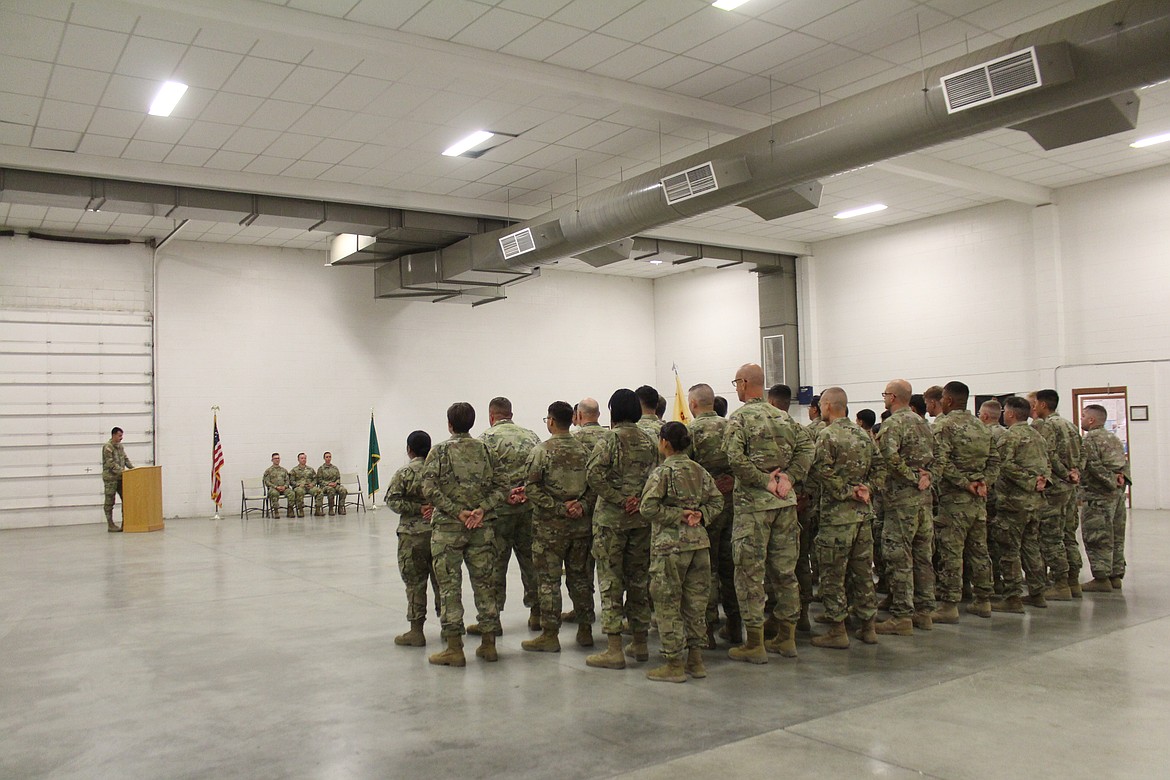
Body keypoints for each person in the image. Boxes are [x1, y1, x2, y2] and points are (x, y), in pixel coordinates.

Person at [724, 363, 815, 663]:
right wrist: (790, 477)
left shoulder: (739, 419)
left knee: (750, 573)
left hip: (754, 508)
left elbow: (735, 459)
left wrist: (765, 480)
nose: (735, 387)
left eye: (737, 382)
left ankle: (755, 643)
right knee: (785, 573)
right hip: (785, 506)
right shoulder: (784, 417)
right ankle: (787, 638)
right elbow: (807, 448)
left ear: (746, 382)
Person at [422, 402, 508, 667]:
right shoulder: (486, 450)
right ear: (472, 422)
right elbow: (502, 487)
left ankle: (454, 648)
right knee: (485, 586)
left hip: (448, 530)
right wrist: (481, 510)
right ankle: (489, 644)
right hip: (481, 529)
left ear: (449, 424)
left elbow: (429, 488)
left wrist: (456, 512)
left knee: (449, 588)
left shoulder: (439, 452)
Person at [640, 422, 723, 682]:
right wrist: (701, 515)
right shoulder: (699, 470)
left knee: (667, 603)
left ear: (664, 442)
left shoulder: (662, 472)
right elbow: (717, 500)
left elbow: (648, 508)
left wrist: (677, 514)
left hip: (670, 547)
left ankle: (674, 663)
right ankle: (696, 660)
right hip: (699, 544)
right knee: (696, 605)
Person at [585, 389, 660, 671]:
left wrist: (619, 499)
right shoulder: (649, 440)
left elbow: (593, 475)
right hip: (641, 521)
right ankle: (640, 643)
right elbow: (658, 475)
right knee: (639, 580)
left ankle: (614, 649)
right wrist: (639, 499)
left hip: (612, 522)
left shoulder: (610, 439)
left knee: (610, 581)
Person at [808, 387, 886, 649]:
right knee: (863, 572)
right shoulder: (864, 436)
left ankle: (837, 629)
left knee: (833, 573)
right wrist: (867, 489)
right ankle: (868, 627)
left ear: (828, 405)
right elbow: (881, 468)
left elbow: (821, 470)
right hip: (863, 516)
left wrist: (845, 491)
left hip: (837, 517)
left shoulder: (827, 435)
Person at [522, 401, 593, 652]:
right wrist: (581, 505)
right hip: (580, 525)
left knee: (548, 581)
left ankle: (550, 635)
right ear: (572, 419)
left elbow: (531, 488)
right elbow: (595, 485)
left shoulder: (542, 451)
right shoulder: (585, 450)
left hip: (549, 529)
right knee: (580, 578)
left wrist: (558, 508)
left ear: (551, 421)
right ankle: (585, 630)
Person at [930, 381, 999, 622]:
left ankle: (949, 605)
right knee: (979, 551)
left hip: (954, 501)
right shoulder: (982, 427)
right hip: (977, 500)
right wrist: (983, 482)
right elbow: (995, 461)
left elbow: (941, 462)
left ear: (947, 400)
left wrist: (963, 483)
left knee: (951, 552)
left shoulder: (945, 426)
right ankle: (983, 600)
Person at [874, 380, 936, 636]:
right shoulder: (923, 423)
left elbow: (888, 458)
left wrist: (911, 477)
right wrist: (927, 477)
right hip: (924, 500)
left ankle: (901, 616)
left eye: (885, 394)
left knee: (899, 556)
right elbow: (938, 455)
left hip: (901, 502)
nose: (884, 398)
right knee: (923, 556)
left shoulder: (893, 423)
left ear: (894, 397)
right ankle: (924, 611)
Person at [477, 396, 542, 633]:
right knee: (532, 561)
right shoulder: (532, 436)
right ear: (511, 414)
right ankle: (538, 614)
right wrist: (526, 490)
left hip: (499, 513)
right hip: (528, 509)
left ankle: (492, 620)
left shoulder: (485, 440)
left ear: (491, 416)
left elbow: (481, 478)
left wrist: (505, 494)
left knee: (495, 564)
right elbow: (540, 468)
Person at [687, 383, 739, 646]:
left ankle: (706, 629)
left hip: (704, 508)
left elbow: (686, 470)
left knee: (705, 569)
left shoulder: (691, 431)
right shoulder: (732, 426)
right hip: (735, 504)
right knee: (732, 566)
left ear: (694, 404)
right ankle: (735, 624)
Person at [988, 396, 1050, 614]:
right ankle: (1037, 592)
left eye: (1005, 411)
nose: (1003, 414)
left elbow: (1004, 466)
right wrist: (1042, 481)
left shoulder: (1009, 437)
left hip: (1014, 503)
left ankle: (1012, 597)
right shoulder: (1038, 436)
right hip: (1035, 503)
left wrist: (1029, 481)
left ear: (1011, 414)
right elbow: (1046, 465)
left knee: (1010, 550)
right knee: (1031, 547)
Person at [1029, 389, 1085, 602]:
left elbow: (1048, 453)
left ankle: (1060, 583)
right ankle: (1073, 580)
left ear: (1043, 404)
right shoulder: (1069, 424)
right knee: (1068, 534)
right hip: (1070, 488)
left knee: (1051, 536)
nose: (1032, 408)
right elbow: (1082, 452)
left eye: (1034, 404)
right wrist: (1076, 472)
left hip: (1055, 488)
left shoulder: (1047, 426)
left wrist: (1064, 474)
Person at [385, 431, 436, 648]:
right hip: (439, 534)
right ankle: (450, 628)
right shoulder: (439, 470)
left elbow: (392, 500)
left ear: (409, 449)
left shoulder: (405, 472)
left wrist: (416, 508)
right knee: (444, 582)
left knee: (415, 583)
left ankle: (416, 631)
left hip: (412, 536)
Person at [1079, 404, 1130, 593]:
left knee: (1097, 535)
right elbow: (1124, 463)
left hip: (1098, 496)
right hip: (1117, 495)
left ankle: (1101, 577)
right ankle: (1115, 574)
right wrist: (1120, 481)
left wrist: (1109, 482)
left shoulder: (1090, 439)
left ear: (1091, 420)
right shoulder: (1113, 438)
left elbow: (1092, 465)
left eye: (1084, 416)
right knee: (1116, 535)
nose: (1082, 419)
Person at [565, 397, 606, 624]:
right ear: (598, 415)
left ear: (578, 416)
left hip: (580, 512)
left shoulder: (573, 438)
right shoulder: (611, 437)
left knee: (580, 567)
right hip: (611, 509)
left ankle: (583, 610)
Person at [979, 400, 1008, 594]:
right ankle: (999, 581)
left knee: (987, 540)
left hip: (985, 493)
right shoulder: (1006, 434)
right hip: (1002, 492)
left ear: (985, 416)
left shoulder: (985, 434)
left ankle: (992, 580)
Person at [101, 426, 133, 532]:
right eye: (119, 435)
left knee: (126, 500)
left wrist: (133, 469)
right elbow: (110, 464)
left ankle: (126, 523)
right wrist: (122, 471)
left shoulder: (120, 447)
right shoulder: (108, 447)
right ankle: (110, 524)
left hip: (121, 478)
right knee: (110, 501)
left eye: (122, 436)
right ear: (114, 435)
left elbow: (125, 459)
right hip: (111, 479)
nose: (121, 438)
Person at [263, 453, 294, 519]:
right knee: (274, 493)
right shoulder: (268, 471)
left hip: (284, 488)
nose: (277, 460)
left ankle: (290, 510)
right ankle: (276, 511)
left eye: (278, 458)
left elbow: (287, 480)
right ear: (272, 460)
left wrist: (285, 486)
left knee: (291, 493)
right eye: (275, 458)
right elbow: (267, 482)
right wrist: (276, 487)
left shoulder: (284, 470)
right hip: (274, 488)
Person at [289, 452, 319, 518]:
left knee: (319, 491)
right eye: (302, 458)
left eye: (305, 458)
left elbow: (315, 479)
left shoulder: (310, 469)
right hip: (300, 487)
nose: (303, 460)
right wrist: (298, 484)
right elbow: (291, 481)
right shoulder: (294, 470)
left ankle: (318, 509)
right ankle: (300, 510)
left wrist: (312, 484)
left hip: (309, 487)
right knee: (299, 491)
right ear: (298, 460)